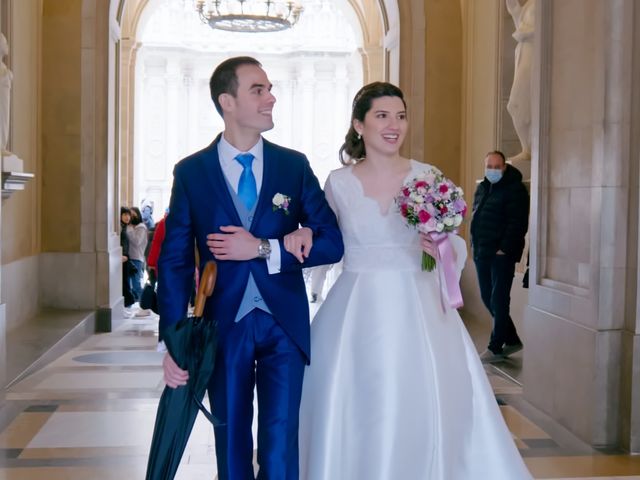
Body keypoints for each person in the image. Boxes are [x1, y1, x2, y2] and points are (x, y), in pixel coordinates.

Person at [298, 82, 532, 479]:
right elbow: (328, 244)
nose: (394, 125)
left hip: (419, 305)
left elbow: (455, 248)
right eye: (382, 116)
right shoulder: (338, 182)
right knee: (357, 399)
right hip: (357, 307)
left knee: (425, 398)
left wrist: (437, 244)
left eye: (401, 116)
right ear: (359, 124)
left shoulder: (428, 176)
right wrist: (301, 238)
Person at [157, 56, 343, 479]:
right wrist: (175, 339)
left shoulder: (292, 166)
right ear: (227, 101)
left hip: (285, 324)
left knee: (281, 445)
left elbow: (331, 241)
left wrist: (264, 247)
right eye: (258, 90)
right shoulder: (191, 172)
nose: (271, 97)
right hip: (224, 326)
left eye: (270, 88)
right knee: (231, 440)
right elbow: (174, 261)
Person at [471, 150, 529, 363]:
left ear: (504, 167)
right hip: (482, 252)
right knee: (488, 297)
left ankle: (495, 347)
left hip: (501, 255)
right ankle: (512, 339)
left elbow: (518, 222)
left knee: (499, 299)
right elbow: (477, 217)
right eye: (489, 166)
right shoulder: (483, 187)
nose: (492, 170)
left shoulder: (515, 190)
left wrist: (503, 248)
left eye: (497, 167)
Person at [506, 0, 535, 163]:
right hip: (523, 52)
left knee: (520, 103)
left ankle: (529, 149)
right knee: (515, 105)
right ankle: (526, 148)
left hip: (533, 53)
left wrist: (525, 34)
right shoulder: (530, 5)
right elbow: (520, 24)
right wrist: (515, 9)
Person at [126, 206, 148, 302]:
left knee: (136, 284)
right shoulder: (130, 227)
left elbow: (137, 241)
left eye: (132, 214)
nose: (130, 217)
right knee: (130, 285)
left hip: (136, 257)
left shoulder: (141, 227)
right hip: (129, 257)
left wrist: (130, 229)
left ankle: (145, 304)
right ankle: (133, 304)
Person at [0, 33, 13, 154]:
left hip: (4, 101)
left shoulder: (3, 67)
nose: (7, 46)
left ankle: (2, 145)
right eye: (5, 43)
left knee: (4, 121)